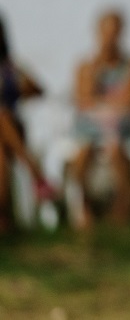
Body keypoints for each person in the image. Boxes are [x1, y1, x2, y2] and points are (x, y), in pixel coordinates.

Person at [71, 9, 130, 227]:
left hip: (121, 127)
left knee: (116, 149)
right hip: (91, 127)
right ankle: (83, 207)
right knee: (83, 153)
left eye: (114, 33)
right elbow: (82, 98)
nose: (109, 39)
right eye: (105, 33)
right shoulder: (87, 66)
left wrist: (100, 101)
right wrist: (97, 69)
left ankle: (121, 209)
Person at [0, 14, 51, 231]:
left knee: (1, 116)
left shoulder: (10, 67)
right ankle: (36, 174)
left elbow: (39, 89)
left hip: (12, 127)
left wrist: (21, 89)